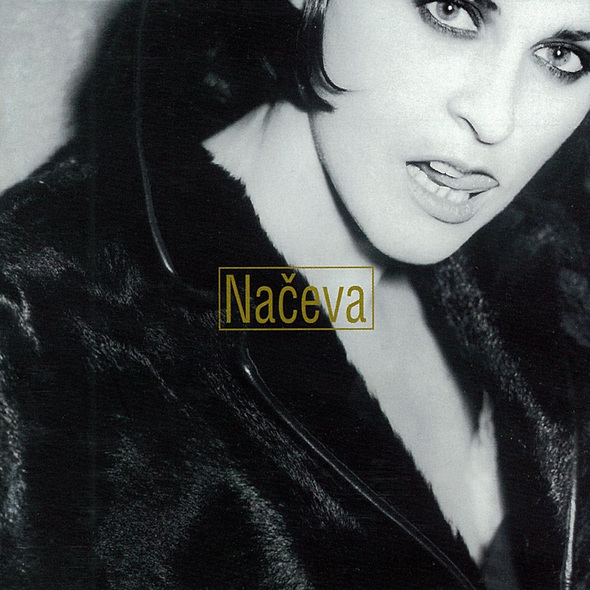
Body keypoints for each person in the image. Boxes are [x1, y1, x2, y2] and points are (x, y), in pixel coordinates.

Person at [0, 0, 589, 588]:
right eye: (450, 10)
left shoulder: (557, 271)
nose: (495, 119)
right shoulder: (36, 331)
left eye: (564, 56)